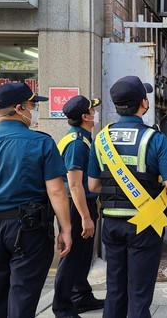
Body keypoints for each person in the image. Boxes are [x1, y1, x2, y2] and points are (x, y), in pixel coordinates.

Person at [0, 82, 72, 318]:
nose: (33, 112)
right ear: (20, 108)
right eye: (32, 106)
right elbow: (56, 192)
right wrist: (66, 229)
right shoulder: (42, 143)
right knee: (23, 294)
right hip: (29, 230)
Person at [88, 75, 167, 318]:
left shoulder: (101, 139)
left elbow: (93, 185)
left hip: (111, 223)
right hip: (145, 224)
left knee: (115, 287)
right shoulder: (155, 138)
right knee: (139, 292)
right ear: (143, 103)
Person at [53, 96, 105, 317]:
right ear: (85, 116)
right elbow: (74, 185)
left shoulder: (82, 138)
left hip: (82, 203)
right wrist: (85, 216)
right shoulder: (76, 143)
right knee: (72, 255)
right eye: (92, 110)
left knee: (83, 255)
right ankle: (62, 306)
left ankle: (81, 296)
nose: (95, 113)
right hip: (75, 206)